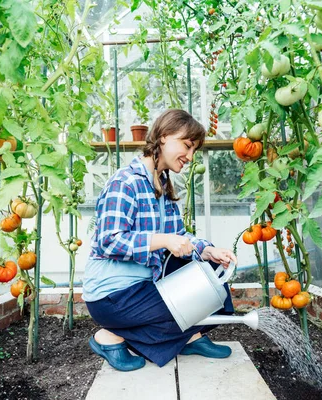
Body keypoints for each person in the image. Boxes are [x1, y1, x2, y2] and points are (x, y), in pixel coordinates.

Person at [83, 109, 238, 372]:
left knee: (214, 283)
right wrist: (162, 239)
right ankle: (109, 337)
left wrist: (209, 250)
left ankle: (188, 337)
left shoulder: (162, 188)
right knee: (190, 305)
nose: (190, 157)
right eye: (187, 146)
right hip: (113, 295)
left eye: (194, 151)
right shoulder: (126, 182)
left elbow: (179, 238)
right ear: (164, 137)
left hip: (143, 285)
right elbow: (108, 241)